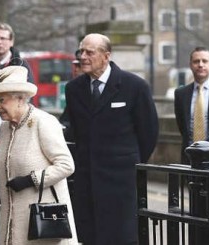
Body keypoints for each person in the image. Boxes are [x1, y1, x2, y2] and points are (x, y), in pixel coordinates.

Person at [64, 33, 159, 245]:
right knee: (89, 236)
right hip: (86, 180)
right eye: (81, 51)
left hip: (120, 182)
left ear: (106, 56)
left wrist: (127, 162)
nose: (83, 57)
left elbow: (149, 132)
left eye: (90, 52)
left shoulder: (134, 86)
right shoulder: (73, 89)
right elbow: (74, 130)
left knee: (121, 238)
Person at [0, 65, 78, 244]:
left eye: (2, 100)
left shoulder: (44, 122)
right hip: (11, 221)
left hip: (43, 223)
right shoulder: (5, 128)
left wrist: (31, 180)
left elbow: (66, 165)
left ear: (20, 99)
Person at [174, 47, 209, 164]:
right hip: (189, 158)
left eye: (204, 61)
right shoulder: (181, 94)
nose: (200, 65)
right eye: (196, 61)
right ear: (190, 65)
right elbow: (182, 127)